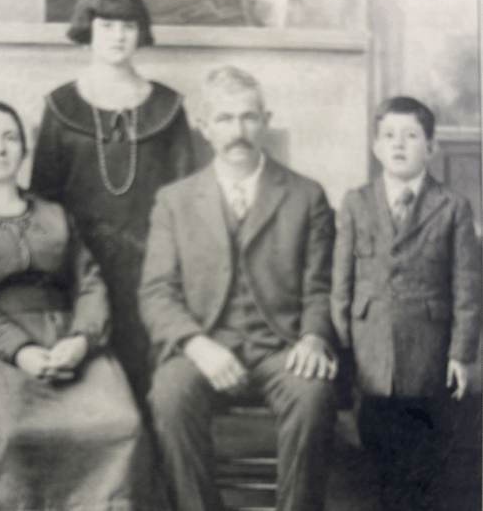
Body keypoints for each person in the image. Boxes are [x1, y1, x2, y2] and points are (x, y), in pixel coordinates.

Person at [0, 99, 167, 511]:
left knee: (122, 425)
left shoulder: (54, 214)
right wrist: (20, 351)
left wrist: (81, 340)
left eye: (10, 137)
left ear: (24, 149)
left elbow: (90, 282)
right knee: (13, 435)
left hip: (69, 341)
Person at [139, 65, 338, 511]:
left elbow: (321, 287)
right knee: (168, 397)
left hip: (282, 348)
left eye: (248, 117)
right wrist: (196, 345)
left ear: (266, 121)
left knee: (313, 397)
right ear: (204, 127)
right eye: (224, 119)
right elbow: (157, 293)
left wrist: (312, 337)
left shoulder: (306, 195)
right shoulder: (174, 201)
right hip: (205, 343)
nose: (237, 131)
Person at [30, 0, 196, 399]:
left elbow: (186, 198)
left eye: (128, 25)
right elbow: (43, 199)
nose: (118, 36)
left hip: (153, 263)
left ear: (141, 32)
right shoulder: (60, 106)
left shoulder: (168, 107)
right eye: (106, 25)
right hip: (79, 265)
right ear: (88, 30)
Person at [331, 96, 481, 511]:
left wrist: (461, 354)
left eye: (411, 136)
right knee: (375, 448)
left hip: (428, 352)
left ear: (431, 147)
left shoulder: (452, 207)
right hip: (370, 352)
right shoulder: (356, 202)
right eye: (389, 135)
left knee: (425, 453)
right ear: (376, 146)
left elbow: (467, 289)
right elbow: (341, 285)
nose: (399, 144)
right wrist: (343, 349)